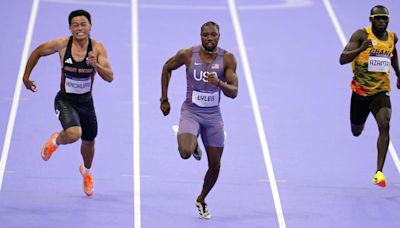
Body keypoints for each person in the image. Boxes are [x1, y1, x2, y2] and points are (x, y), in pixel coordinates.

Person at [22, 9, 113, 196]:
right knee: (74, 133)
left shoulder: (97, 48)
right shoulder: (63, 45)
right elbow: (38, 52)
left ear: (90, 27)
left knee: (89, 143)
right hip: (65, 100)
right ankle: (55, 141)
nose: (79, 28)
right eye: (75, 25)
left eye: (83, 24)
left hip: (86, 103)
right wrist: (26, 77)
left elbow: (110, 77)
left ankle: (86, 173)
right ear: (70, 28)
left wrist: (96, 65)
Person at [160, 21, 238, 219]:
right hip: (191, 112)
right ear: (200, 36)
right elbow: (167, 67)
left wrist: (219, 83)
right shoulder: (187, 54)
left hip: (213, 116)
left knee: (215, 165)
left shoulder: (227, 59)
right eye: (206, 35)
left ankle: (201, 199)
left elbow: (234, 92)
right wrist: (164, 99)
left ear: (218, 36)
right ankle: (193, 144)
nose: (209, 38)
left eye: (213, 35)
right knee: (185, 152)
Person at [339, 5, 400, 187]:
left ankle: (379, 172)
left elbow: (393, 53)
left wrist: (398, 74)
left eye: (384, 18)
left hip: (381, 91)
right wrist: (360, 49)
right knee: (356, 131)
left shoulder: (392, 37)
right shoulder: (361, 35)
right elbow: (342, 59)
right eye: (378, 18)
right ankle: (361, 122)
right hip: (360, 92)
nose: (381, 21)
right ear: (371, 19)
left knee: (385, 125)